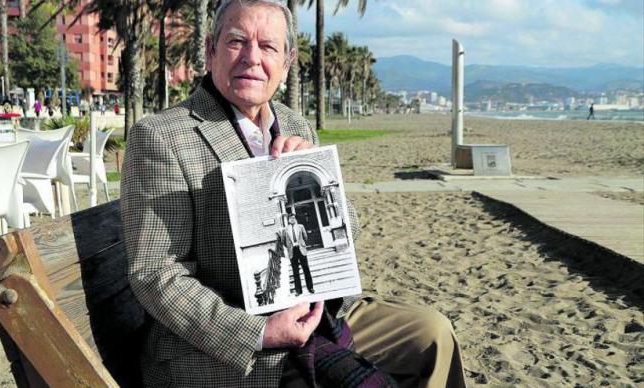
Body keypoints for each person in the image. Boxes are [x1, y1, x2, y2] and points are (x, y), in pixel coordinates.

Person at [121, 1, 466, 387]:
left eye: (268, 47)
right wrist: (260, 332)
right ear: (210, 50)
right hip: (232, 340)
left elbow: (345, 232)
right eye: (237, 41)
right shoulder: (162, 136)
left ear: (286, 63)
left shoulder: (294, 124)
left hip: (319, 309)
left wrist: (323, 187)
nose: (252, 58)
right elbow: (156, 273)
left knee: (433, 334)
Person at [283, 214, 313, 296]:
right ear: (288, 220)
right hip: (292, 251)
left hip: (301, 250)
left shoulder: (300, 226)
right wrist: (290, 246)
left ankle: (310, 288)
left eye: (293, 218)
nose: (292, 219)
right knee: (295, 271)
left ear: (295, 219)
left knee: (306, 269)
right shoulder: (285, 229)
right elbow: (283, 241)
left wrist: (301, 244)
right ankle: (298, 291)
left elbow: (305, 237)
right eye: (290, 218)